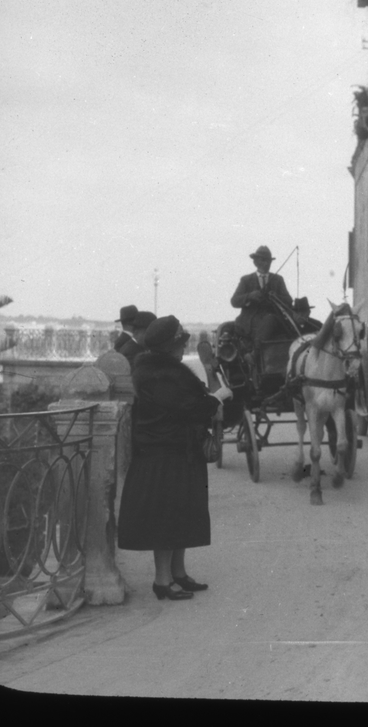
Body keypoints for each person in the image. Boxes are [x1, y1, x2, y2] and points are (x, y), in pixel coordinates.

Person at [117, 316, 233, 600]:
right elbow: (190, 408)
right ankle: (162, 580)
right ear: (169, 347)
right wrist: (218, 397)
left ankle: (178, 573)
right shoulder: (160, 375)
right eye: (180, 344)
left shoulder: (159, 371)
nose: (184, 348)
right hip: (165, 456)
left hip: (177, 452)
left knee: (181, 515)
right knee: (167, 518)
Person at [230, 245, 294, 345]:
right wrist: (249, 296)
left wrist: (277, 297)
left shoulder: (278, 279)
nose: (266, 263)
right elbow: (234, 301)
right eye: (263, 260)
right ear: (255, 262)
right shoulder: (246, 280)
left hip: (273, 320)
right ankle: (257, 348)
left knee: (271, 320)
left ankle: (256, 349)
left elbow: (289, 300)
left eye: (269, 261)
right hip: (250, 322)